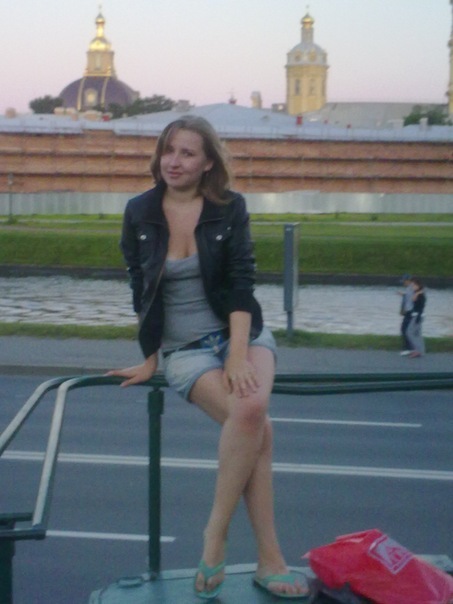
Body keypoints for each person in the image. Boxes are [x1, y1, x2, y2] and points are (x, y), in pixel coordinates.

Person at [107, 115, 309, 600]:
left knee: (251, 410)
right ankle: (268, 561)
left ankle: (215, 536)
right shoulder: (139, 211)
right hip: (185, 350)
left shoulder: (229, 208)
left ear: (208, 164)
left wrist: (237, 356)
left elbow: (241, 283)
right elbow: (140, 287)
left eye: (187, 153)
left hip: (241, 334)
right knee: (257, 428)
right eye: (168, 150)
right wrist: (150, 358)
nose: (174, 161)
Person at [406, 278, 426, 358]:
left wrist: (417, 293)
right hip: (418, 315)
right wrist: (417, 293)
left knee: (409, 332)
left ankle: (417, 350)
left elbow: (417, 303)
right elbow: (413, 299)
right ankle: (420, 350)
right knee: (417, 334)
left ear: (418, 285)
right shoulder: (418, 293)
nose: (412, 287)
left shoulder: (421, 295)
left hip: (418, 316)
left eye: (414, 285)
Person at [397, 274, 414, 356]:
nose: (403, 283)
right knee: (405, 329)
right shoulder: (409, 288)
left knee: (405, 330)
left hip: (411, 312)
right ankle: (410, 348)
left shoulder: (412, 288)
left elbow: (413, 298)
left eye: (404, 281)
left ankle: (408, 349)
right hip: (408, 312)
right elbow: (408, 297)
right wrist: (403, 295)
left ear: (408, 280)